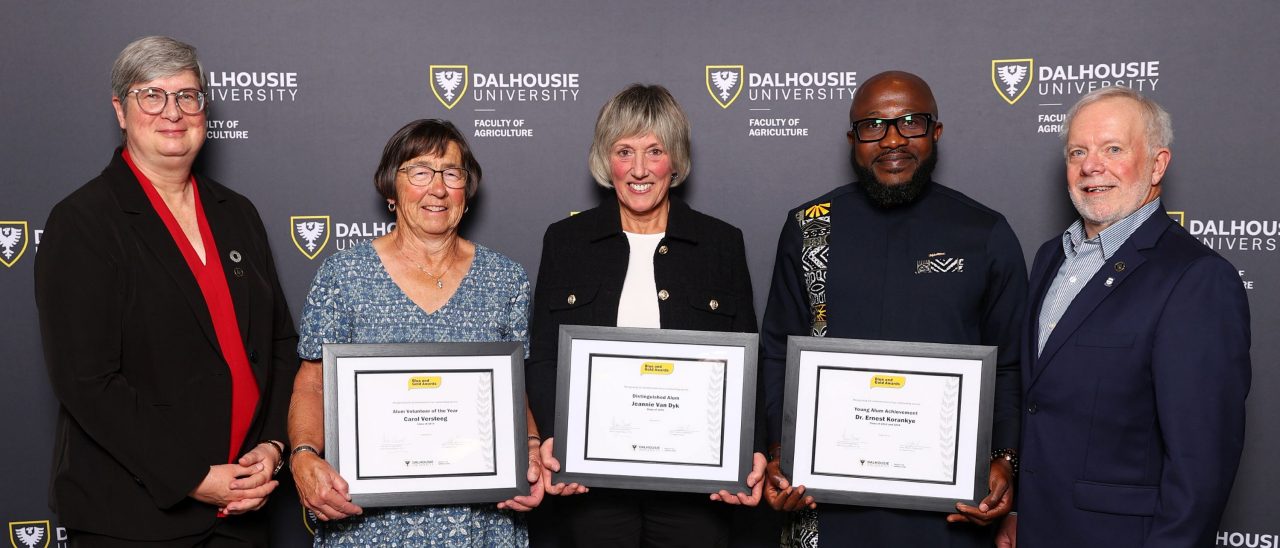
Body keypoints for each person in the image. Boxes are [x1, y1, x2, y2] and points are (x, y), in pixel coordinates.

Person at [34, 36, 296, 546]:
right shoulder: (84, 221)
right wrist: (195, 477)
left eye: (188, 96)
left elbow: (281, 345)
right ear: (120, 110)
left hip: (245, 511)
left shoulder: (237, 212)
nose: (172, 112)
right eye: (151, 95)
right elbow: (86, 380)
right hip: (135, 519)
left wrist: (273, 446)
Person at [759, 70, 1026, 547]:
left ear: (936, 132)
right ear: (852, 139)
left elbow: (1009, 363)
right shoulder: (809, 228)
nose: (893, 139)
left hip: (948, 511)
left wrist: (1005, 459)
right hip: (825, 506)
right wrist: (781, 451)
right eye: (873, 126)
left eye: (911, 123)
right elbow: (778, 352)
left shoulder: (985, 233)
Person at [1002, 86, 1251, 548]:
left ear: (1157, 164)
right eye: (1079, 151)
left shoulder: (1196, 279)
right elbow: (1040, 404)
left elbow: (1202, 468)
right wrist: (1021, 512)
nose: (1091, 165)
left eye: (1113, 149)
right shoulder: (1050, 258)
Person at [525, 84, 764, 547]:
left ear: (674, 161)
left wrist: (749, 448)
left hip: (695, 482)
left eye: (654, 151)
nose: (638, 169)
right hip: (593, 480)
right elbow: (545, 357)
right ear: (604, 159)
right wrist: (558, 440)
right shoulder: (566, 241)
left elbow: (744, 361)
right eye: (624, 151)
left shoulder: (721, 243)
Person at [287, 119, 542, 546]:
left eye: (451, 173)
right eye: (420, 172)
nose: (437, 188)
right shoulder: (344, 275)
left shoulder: (506, 278)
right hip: (369, 523)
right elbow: (313, 383)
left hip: (478, 523)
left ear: (467, 189)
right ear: (392, 189)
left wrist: (531, 448)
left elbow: (513, 391)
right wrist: (304, 456)